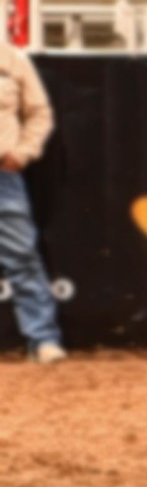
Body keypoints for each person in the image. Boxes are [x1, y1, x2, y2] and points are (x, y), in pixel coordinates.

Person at [0, 37, 63, 363]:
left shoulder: (13, 60)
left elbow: (40, 113)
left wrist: (24, 152)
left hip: (3, 176)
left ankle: (42, 340)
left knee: (22, 256)